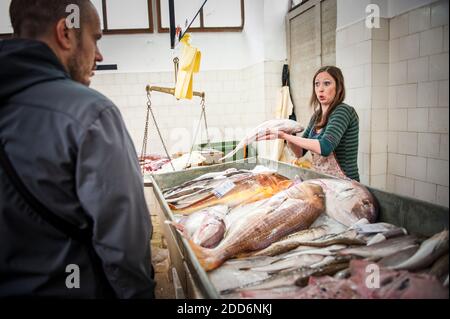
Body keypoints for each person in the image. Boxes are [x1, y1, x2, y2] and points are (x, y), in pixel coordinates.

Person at [0, 0, 155, 298]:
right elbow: (125, 247)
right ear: (65, 33)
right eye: (95, 38)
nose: (99, 54)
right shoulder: (91, 114)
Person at [258, 66, 360, 181]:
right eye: (317, 84)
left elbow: (325, 147)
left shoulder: (343, 111)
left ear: (339, 87)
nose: (320, 89)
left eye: (327, 84)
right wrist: (288, 135)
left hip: (346, 184)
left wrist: (284, 136)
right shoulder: (316, 116)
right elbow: (300, 152)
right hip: (325, 180)